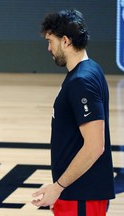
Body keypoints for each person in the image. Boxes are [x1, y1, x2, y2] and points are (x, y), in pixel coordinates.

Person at [31, 9, 115, 215]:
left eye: (51, 41)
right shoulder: (89, 69)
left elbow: (95, 146)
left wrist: (58, 187)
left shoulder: (81, 82)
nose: (49, 48)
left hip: (82, 195)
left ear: (66, 41)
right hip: (77, 192)